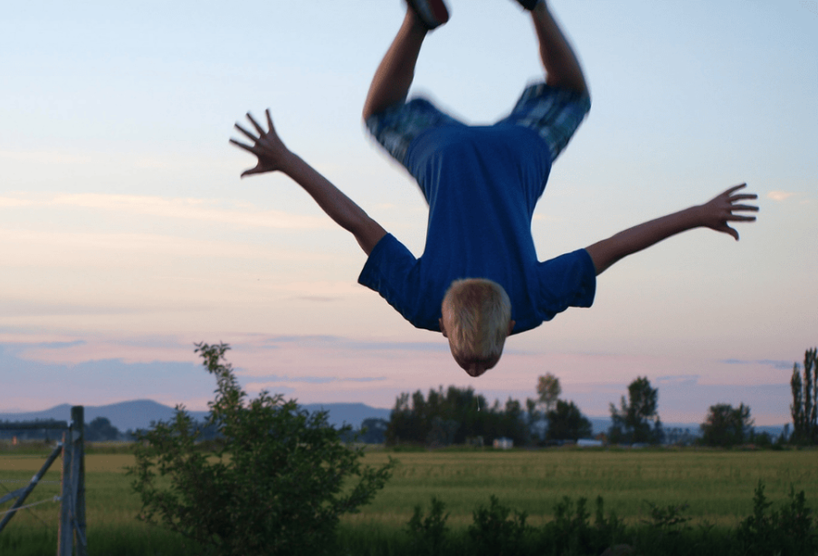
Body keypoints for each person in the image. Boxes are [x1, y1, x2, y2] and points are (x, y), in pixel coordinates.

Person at [230, 0, 758, 377]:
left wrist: (698, 213)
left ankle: (535, 7)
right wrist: (288, 161)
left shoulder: (531, 303)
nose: (476, 370)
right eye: (480, 360)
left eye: (472, 361)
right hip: (445, 156)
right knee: (380, 114)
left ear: (505, 329)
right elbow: (357, 222)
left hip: (518, 154)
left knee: (572, 95)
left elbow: (615, 246)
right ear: (447, 323)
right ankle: (418, 18)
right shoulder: (420, 303)